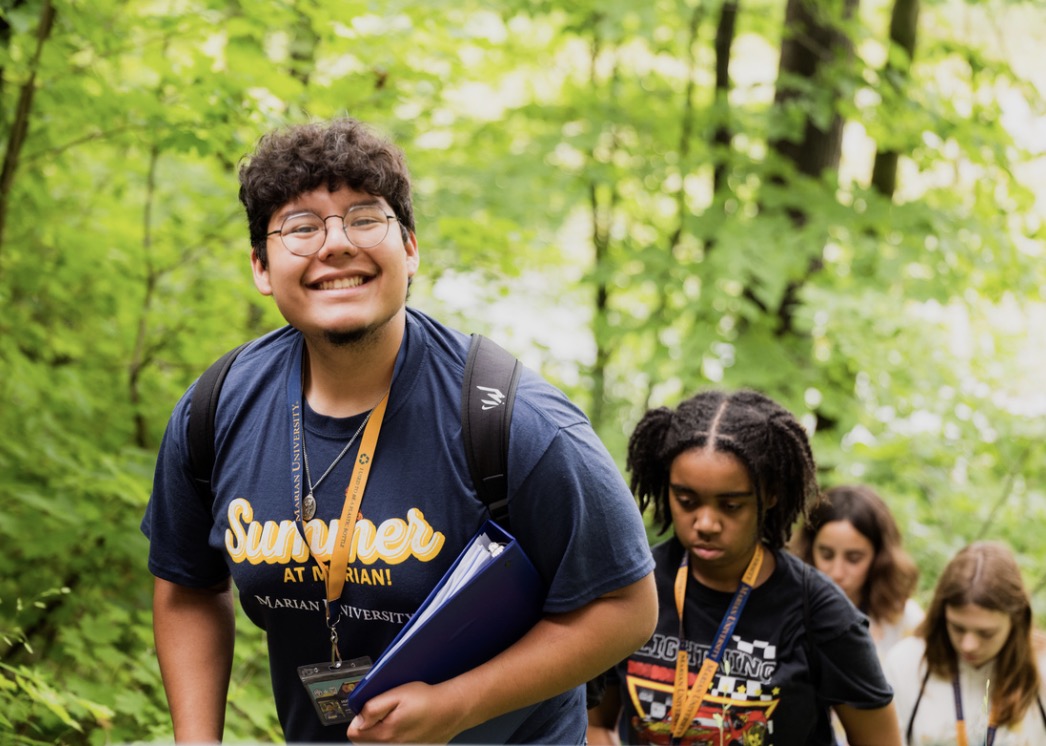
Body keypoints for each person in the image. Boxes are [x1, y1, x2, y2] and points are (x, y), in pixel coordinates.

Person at [141, 117, 658, 744]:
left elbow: (627, 607)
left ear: (409, 248)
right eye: (301, 226)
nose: (335, 244)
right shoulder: (216, 411)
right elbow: (187, 586)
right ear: (260, 265)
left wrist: (460, 705)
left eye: (364, 218)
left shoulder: (513, 420)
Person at [587, 389, 902, 746]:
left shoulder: (820, 613)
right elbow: (595, 723)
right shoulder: (630, 586)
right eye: (686, 500)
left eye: (731, 505)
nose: (705, 522)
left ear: (769, 495)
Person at [883, 541, 1046, 745]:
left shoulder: (1041, 667)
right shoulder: (905, 663)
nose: (968, 645)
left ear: (1016, 621)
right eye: (957, 628)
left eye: (986, 633)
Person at [791, 484, 923, 660]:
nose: (837, 573)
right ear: (808, 550)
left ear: (879, 558)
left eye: (853, 558)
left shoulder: (905, 620)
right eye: (826, 555)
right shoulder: (787, 610)